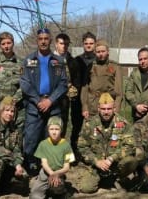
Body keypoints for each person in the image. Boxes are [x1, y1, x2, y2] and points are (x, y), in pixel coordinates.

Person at [20, 28, 67, 175]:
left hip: (53, 107)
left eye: (46, 38)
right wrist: (38, 100)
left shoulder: (58, 61)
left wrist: (50, 100)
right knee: (31, 139)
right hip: (35, 106)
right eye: (41, 39)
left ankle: (51, 168)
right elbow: (24, 83)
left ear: (50, 40)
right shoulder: (28, 60)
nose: (43, 41)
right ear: (37, 40)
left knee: (52, 138)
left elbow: (63, 84)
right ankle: (31, 167)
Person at [77, 93, 137, 194]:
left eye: (109, 109)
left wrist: (112, 158)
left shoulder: (123, 123)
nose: (106, 112)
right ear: (98, 109)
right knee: (86, 188)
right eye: (103, 109)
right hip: (96, 165)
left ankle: (118, 178)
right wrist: (96, 161)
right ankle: (105, 180)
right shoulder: (89, 124)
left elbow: (130, 146)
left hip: (115, 164)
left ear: (114, 108)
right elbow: (82, 147)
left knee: (131, 160)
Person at [30, 116, 75, 199]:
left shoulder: (66, 145)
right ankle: (44, 189)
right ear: (48, 130)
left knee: (57, 189)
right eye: (51, 129)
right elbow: (44, 163)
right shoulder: (43, 144)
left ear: (61, 130)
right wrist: (51, 173)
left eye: (57, 129)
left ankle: (62, 191)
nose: (54, 132)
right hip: (45, 173)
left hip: (59, 173)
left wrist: (56, 174)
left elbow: (66, 167)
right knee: (34, 196)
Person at [0, 31, 24, 125]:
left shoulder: (20, 62)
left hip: (16, 106)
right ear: (0, 45)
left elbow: (25, 83)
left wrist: (14, 100)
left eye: (9, 43)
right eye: (3, 44)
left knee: (16, 134)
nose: (6, 46)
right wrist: (2, 99)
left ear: (13, 43)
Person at [80, 39, 123, 120]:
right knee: (92, 131)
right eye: (98, 52)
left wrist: (116, 108)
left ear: (108, 51)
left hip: (109, 106)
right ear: (95, 53)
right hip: (93, 105)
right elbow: (85, 89)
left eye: (103, 51)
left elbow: (119, 92)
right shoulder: (89, 67)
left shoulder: (115, 67)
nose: (101, 54)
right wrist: (84, 107)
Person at [72, 31, 96, 154]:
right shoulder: (76, 60)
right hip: (77, 98)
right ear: (83, 44)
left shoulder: (98, 61)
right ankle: (75, 151)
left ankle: (91, 151)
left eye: (91, 43)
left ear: (95, 44)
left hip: (93, 99)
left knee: (93, 127)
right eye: (86, 43)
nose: (88, 45)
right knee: (77, 126)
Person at [53, 33, 78, 138]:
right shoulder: (49, 59)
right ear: (56, 44)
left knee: (62, 127)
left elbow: (76, 80)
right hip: (51, 99)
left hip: (65, 100)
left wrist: (73, 90)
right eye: (61, 43)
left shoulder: (72, 61)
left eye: (66, 44)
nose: (64, 46)